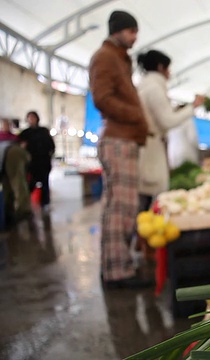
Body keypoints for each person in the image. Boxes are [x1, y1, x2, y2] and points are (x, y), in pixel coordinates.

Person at [89, 10, 151, 289]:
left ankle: (116, 265)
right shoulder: (105, 57)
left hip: (124, 139)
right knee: (121, 209)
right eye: (130, 30)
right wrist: (136, 116)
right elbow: (102, 98)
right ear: (116, 31)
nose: (134, 36)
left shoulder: (118, 59)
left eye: (136, 30)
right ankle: (117, 272)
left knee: (120, 207)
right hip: (119, 140)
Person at [136, 49, 205, 210]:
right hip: (151, 148)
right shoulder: (154, 88)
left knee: (145, 194)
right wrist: (192, 107)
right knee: (148, 194)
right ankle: (143, 232)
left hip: (150, 146)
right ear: (161, 67)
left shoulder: (146, 85)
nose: (170, 72)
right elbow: (168, 120)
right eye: (168, 68)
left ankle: (142, 229)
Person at [18, 111, 55, 209]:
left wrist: (49, 155)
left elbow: (51, 146)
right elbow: (20, 147)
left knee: (45, 183)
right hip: (31, 163)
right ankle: (28, 204)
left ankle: (45, 203)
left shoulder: (43, 131)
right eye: (29, 118)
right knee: (30, 183)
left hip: (43, 162)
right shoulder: (25, 133)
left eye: (33, 118)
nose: (31, 120)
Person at [0, 118, 32, 225]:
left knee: (17, 182)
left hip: (10, 157)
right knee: (9, 184)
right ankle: (10, 210)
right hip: (7, 159)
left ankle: (23, 210)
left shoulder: (13, 138)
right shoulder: (14, 138)